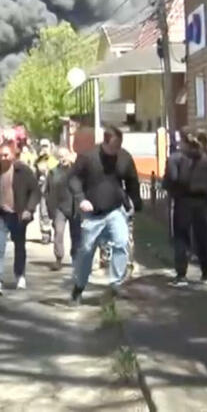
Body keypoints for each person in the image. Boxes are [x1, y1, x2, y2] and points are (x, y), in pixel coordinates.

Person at [68, 126, 142, 303]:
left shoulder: (124, 157)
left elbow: (132, 181)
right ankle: (78, 286)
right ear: (105, 142)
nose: (116, 151)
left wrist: (135, 201)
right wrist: (81, 199)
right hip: (92, 214)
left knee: (121, 242)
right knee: (86, 251)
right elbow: (73, 179)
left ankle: (116, 283)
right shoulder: (88, 157)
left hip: (115, 210)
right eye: (114, 146)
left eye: (119, 146)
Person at [0, 141, 40, 295]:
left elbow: (35, 191)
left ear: (13, 156)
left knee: (19, 246)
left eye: (6, 155)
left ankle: (20, 275)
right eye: (1, 155)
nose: (3, 158)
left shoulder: (23, 171)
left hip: (18, 215)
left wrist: (29, 209)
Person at [164, 131, 207, 287]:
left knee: (181, 238)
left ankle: (181, 275)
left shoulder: (176, 158)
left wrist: (172, 190)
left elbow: (171, 179)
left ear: (183, 142)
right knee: (203, 238)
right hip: (202, 202)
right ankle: (206, 274)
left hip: (183, 201)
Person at [46, 147, 81, 271]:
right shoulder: (53, 172)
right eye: (60, 157)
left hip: (75, 208)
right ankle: (58, 258)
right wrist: (50, 210)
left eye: (64, 156)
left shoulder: (77, 171)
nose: (62, 159)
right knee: (58, 233)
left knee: (76, 235)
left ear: (69, 156)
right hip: (59, 208)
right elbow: (48, 192)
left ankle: (76, 259)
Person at [35, 140, 58, 245]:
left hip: (54, 190)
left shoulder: (54, 159)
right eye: (42, 146)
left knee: (54, 213)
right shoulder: (39, 160)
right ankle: (45, 234)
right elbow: (35, 173)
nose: (44, 148)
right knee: (43, 212)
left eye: (46, 146)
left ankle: (57, 232)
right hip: (42, 190)